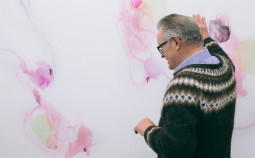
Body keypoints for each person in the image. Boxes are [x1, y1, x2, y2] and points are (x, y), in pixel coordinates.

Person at [134, 13, 236, 158]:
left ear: (176, 42)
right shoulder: (225, 67)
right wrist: (205, 38)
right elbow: (218, 53)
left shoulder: (183, 86)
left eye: (161, 47)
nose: (162, 55)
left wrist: (148, 130)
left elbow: (175, 150)